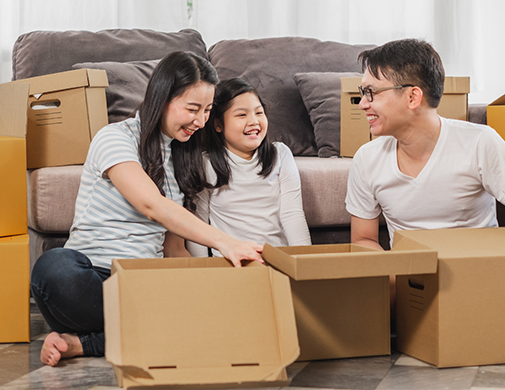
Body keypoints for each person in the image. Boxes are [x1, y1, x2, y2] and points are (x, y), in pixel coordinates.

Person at [345, 39, 505, 342]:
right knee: (366, 280)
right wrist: (390, 269)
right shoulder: (367, 158)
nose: (363, 103)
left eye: (371, 92)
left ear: (413, 96)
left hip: (486, 273)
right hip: (418, 283)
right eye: (363, 93)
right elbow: (363, 240)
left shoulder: (480, 142)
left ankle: (470, 325)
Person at [30, 52, 264, 367]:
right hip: (91, 278)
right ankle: (153, 328)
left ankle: (85, 343)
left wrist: (201, 289)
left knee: (211, 305)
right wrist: (225, 242)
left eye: (208, 110)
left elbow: (174, 249)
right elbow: (151, 204)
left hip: (142, 286)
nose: (201, 121)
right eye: (192, 109)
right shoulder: (114, 137)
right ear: (162, 98)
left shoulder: (184, 157)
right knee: (54, 269)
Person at [187, 78, 311, 257]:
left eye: (259, 113)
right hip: (229, 262)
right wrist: (202, 269)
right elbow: (198, 224)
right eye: (242, 115)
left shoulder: (280, 154)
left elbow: (292, 214)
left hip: (276, 258)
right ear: (218, 125)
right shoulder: (206, 164)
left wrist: (304, 260)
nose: (254, 121)